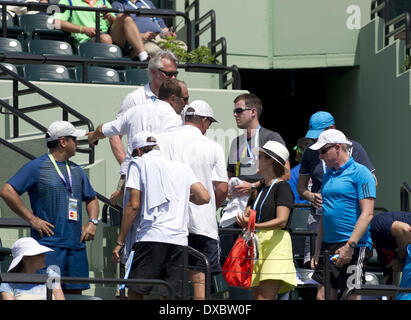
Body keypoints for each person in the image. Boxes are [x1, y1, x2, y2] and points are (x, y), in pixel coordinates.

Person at [0, 121, 99, 294]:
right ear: (63, 142)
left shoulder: (77, 170)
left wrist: (92, 222)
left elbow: (92, 199)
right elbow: (7, 191)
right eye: (74, 139)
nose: (77, 144)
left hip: (75, 248)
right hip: (48, 247)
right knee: (46, 294)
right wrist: (32, 219)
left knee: (75, 296)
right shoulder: (37, 166)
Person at [111, 131, 210, 300]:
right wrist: (179, 195)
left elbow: (133, 206)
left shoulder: (138, 163)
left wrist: (120, 242)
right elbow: (204, 197)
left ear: (138, 151)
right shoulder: (182, 167)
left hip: (151, 237)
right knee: (170, 296)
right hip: (179, 241)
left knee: (136, 292)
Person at [157, 100, 228, 300]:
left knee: (166, 282)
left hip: (167, 222)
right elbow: (222, 188)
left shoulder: (162, 140)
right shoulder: (213, 146)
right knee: (200, 283)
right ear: (204, 121)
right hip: (202, 222)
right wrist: (210, 205)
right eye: (209, 124)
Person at [87, 78, 187, 205]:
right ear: (173, 98)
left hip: (130, 177)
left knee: (127, 220)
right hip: (157, 181)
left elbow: (102, 130)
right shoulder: (175, 121)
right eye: (185, 99)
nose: (187, 103)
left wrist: (92, 137)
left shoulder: (135, 111)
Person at [297, 111, 377, 267]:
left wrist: (343, 193)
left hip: (348, 223)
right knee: (315, 266)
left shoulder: (355, 149)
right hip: (319, 215)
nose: (316, 142)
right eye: (313, 137)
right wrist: (310, 196)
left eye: (319, 135)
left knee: (348, 285)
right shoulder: (310, 151)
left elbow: (371, 182)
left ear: (332, 128)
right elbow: (301, 187)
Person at [309, 129, 376, 300]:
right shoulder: (327, 177)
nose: (320, 156)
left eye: (323, 151)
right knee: (322, 296)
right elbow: (326, 214)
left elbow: (367, 214)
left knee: (350, 296)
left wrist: (349, 246)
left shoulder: (361, 173)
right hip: (328, 245)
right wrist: (317, 250)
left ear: (337, 148)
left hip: (354, 244)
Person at [236, 141, 296, 300]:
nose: (257, 160)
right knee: (258, 297)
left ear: (270, 161)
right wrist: (244, 219)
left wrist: (254, 225)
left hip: (276, 245)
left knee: (264, 298)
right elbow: (249, 215)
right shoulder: (259, 189)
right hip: (258, 245)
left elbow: (282, 220)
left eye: (260, 157)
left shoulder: (283, 187)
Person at [110, 50, 181, 167]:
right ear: (153, 73)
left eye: (175, 74)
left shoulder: (178, 98)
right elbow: (114, 135)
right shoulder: (135, 98)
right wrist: (126, 167)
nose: (173, 78)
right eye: (168, 74)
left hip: (168, 169)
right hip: (140, 170)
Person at [227, 93, 290, 198]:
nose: (235, 115)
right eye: (234, 111)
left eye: (239, 111)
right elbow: (230, 175)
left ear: (253, 112)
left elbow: (285, 174)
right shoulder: (236, 143)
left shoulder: (271, 137)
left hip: (264, 201)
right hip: (239, 204)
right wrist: (229, 189)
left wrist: (253, 186)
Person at [53, 0, 149, 61]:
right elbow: (55, 22)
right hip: (86, 42)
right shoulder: (68, 1)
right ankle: (115, 68)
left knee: (124, 18)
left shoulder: (103, 2)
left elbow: (115, 23)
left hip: (110, 37)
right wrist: (83, 29)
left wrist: (109, 17)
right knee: (105, 38)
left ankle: (143, 57)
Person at [111, 0, 187, 56]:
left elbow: (162, 26)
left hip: (159, 39)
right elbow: (120, 32)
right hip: (139, 43)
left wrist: (168, 34)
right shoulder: (117, 4)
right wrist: (141, 36)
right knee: (152, 49)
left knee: (181, 46)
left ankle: (169, 74)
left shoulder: (147, 3)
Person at [0, 237, 65, 300]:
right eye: (38, 253)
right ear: (25, 259)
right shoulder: (8, 284)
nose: (44, 255)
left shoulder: (51, 275)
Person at [369, 211, 411, 285]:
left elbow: (404, 230)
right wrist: (389, 296)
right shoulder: (382, 252)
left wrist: (401, 260)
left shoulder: (375, 224)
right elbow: (390, 280)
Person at [288, 137, 313, 204]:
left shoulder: (293, 174)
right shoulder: (324, 168)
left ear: (297, 153)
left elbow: (293, 201)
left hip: (301, 213)